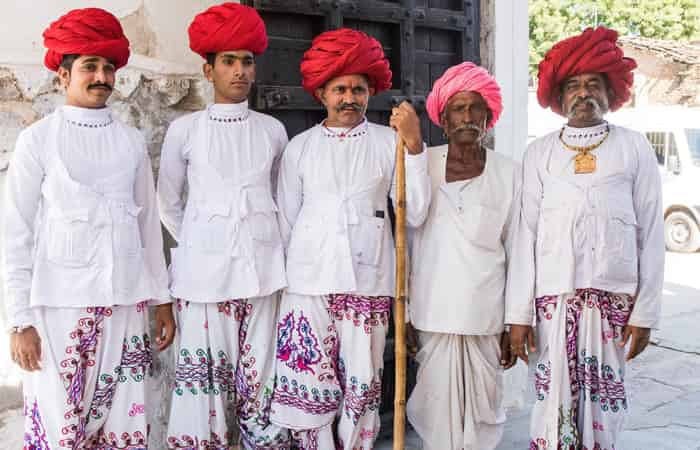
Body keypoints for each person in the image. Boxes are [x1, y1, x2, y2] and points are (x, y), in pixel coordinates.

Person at [4, 8, 174, 448]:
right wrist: (19, 321)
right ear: (63, 75)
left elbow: (148, 230)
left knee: (124, 426)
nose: (101, 76)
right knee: (61, 431)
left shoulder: (130, 140)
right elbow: (16, 233)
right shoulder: (37, 140)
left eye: (109, 67)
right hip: (59, 309)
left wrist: (162, 301)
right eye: (89, 67)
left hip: (125, 304)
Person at [269, 28, 431, 450]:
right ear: (321, 92)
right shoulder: (299, 148)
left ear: (370, 92)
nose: (349, 97)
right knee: (308, 390)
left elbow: (414, 211)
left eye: (358, 89)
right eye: (339, 88)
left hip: (368, 282)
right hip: (307, 285)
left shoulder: (388, 143)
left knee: (361, 389)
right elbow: (286, 221)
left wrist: (414, 146)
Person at [506, 26, 664, 450]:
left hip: (612, 303)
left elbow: (650, 233)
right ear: (559, 97)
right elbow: (525, 236)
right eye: (573, 85)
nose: (582, 94)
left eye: (593, 84)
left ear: (610, 92)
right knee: (551, 407)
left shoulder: (634, 148)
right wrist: (517, 315)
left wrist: (644, 313)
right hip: (552, 305)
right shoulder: (539, 153)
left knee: (604, 412)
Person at [157, 3, 290, 449]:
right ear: (207, 69)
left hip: (263, 275)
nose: (239, 71)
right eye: (229, 62)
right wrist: (202, 242)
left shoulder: (272, 130)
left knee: (263, 385)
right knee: (203, 394)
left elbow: (279, 199)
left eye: (246, 62)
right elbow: (168, 203)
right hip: (203, 281)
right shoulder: (186, 130)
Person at [406, 61, 520, 450]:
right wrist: (402, 313)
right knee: (435, 412)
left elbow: (518, 251)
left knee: (484, 414)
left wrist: (515, 321)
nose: (468, 117)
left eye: (476, 108)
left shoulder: (509, 173)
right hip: (432, 312)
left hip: (485, 315)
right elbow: (408, 228)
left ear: (489, 118)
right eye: (458, 108)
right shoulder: (421, 161)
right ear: (443, 117)